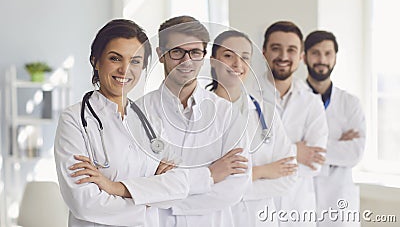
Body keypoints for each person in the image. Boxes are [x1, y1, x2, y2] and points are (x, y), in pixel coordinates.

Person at [54, 19, 198, 227]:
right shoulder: (75, 120)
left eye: (135, 61)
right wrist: (150, 202)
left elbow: (181, 185)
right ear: (96, 60)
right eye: (115, 58)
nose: (125, 69)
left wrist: (115, 188)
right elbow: (84, 203)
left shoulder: (150, 120)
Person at [136, 16, 251, 227]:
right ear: (161, 55)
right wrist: (210, 175)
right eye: (177, 51)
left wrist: (169, 197)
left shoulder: (227, 114)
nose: (186, 61)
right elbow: (137, 183)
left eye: (195, 52)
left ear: (204, 56)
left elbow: (235, 186)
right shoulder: (138, 113)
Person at [207, 30, 297, 227]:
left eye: (244, 57)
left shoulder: (266, 112)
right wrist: (262, 171)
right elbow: (200, 182)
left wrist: (234, 184)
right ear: (213, 61)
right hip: (217, 219)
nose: (237, 64)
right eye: (228, 56)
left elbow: (289, 176)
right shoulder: (199, 114)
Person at [259, 21, 329, 226]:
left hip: (298, 212)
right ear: (264, 52)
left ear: (301, 56)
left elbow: (315, 163)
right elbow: (245, 161)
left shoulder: (311, 101)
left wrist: (267, 164)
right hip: (256, 210)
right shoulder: (245, 97)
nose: (283, 56)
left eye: (291, 50)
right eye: (276, 48)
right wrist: (295, 151)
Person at [304, 30, 366, 226]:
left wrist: (306, 149)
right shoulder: (292, 99)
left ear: (335, 58)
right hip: (302, 196)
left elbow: (354, 154)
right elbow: (284, 149)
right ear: (304, 57)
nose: (322, 59)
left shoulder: (350, 103)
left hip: (339, 202)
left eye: (328, 53)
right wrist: (336, 145)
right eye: (315, 53)